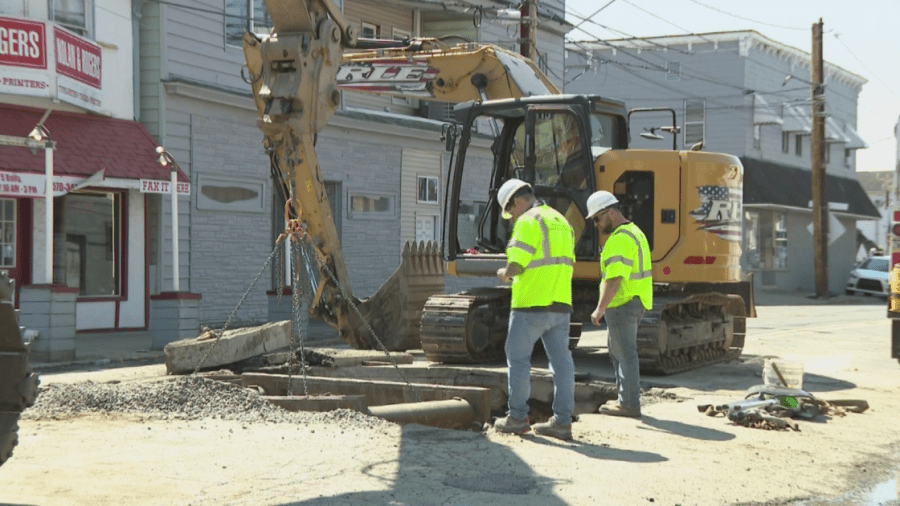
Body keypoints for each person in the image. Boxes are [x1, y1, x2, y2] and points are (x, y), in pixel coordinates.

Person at [492, 178, 576, 440]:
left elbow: (517, 263)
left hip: (531, 303)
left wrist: (504, 274)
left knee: (517, 358)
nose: (511, 218)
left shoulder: (528, 221)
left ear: (517, 202)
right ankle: (562, 423)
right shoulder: (562, 221)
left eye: (510, 212)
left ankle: (517, 417)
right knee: (561, 363)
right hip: (560, 304)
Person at [587, 190, 653, 418]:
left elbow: (614, 279)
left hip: (623, 303)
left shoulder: (619, 239)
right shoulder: (635, 232)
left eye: (597, 218)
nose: (596, 224)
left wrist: (599, 309)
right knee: (620, 353)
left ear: (611, 213)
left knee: (624, 353)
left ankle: (629, 404)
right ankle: (625, 399)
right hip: (634, 301)